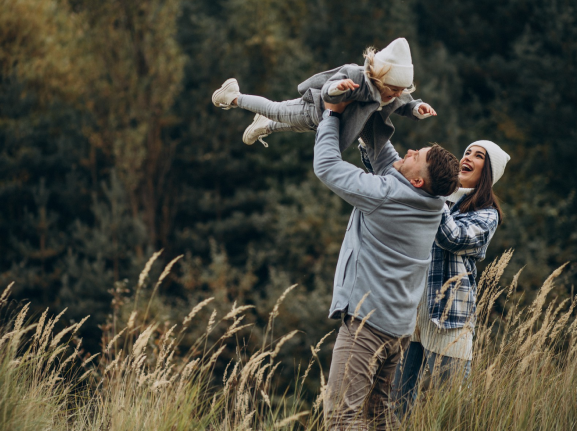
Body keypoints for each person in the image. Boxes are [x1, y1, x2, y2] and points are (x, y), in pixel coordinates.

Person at [313, 100, 460, 430]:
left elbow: (326, 167)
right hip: (397, 331)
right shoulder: (433, 204)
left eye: (415, 157)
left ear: (418, 180)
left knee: (341, 419)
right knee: (378, 419)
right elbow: (384, 153)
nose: (407, 152)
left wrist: (333, 113)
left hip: (366, 326)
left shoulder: (387, 194)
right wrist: (377, 104)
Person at [387, 140, 510, 414]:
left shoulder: (485, 213)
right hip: (409, 315)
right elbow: (395, 178)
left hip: (448, 320)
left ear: (488, 172)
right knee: (395, 406)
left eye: (479, 156)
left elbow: (451, 237)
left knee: (451, 408)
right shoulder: (432, 196)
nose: (468, 157)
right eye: (467, 152)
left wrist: (437, 191)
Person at [211, 38, 436, 152]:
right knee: (275, 109)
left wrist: (417, 108)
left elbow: (404, 103)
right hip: (314, 108)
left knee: (294, 126)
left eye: (402, 90)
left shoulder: (393, 94)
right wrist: (337, 89)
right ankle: (233, 96)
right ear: (380, 79)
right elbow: (330, 86)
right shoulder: (357, 76)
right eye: (394, 89)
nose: (398, 94)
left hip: (326, 123)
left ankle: (265, 125)